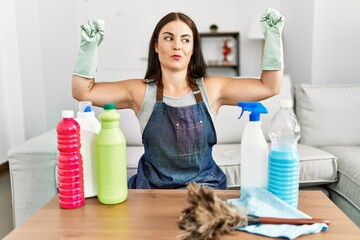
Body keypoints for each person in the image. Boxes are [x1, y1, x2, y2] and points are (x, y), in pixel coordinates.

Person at [72, 9, 285, 190]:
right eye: (168, 38)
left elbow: (270, 86)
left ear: (193, 48)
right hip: (151, 191)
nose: (177, 46)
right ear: (156, 45)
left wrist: (273, 37)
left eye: (185, 39)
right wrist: (88, 47)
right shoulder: (139, 91)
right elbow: (83, 92)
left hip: (204, 190)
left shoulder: (211, 88)